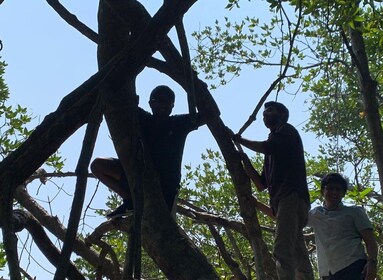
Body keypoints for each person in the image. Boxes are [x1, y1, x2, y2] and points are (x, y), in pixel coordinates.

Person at [91, 85, 205, 219]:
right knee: (98, 165)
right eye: (158, 102)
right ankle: (130, 200)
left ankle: (133, 201)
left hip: (165, 186)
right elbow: (119, 100)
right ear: (151, 103)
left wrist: (197, 87)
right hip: (138, 175)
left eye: (166, 103)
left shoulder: (179, 123)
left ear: (172, 105)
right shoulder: (143, 118)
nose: (162, 106)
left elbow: (210, 114)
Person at [232, 101, 314, 280]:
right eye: (264, 113)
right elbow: (262, 184)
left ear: (282, 115)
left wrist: (240, 140)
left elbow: (266, 147)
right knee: (296, 248)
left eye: (270, 111)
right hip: (284, 202)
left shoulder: (286, 131)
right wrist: (245, 160)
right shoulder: (272, 153)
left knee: (282, 250)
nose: (265, 115)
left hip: (291, 197)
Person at [308, 173, 378, 280]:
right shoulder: (315, 214)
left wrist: (372, 262)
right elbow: (293, 221)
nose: (334, 192)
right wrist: (274, 213)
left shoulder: (354, 212)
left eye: (338, 189)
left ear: (344, 193)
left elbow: (370, 240)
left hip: (354, 267)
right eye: (330, 189)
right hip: (328, 274)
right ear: (323, 191)